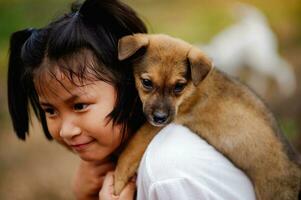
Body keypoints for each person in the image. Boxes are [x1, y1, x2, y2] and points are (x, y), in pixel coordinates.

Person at [7, 0, 256, 199]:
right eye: (50, 110)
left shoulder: (168, 171)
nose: (66, 129)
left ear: (130, 83)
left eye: (80, 105)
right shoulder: (119, 166)